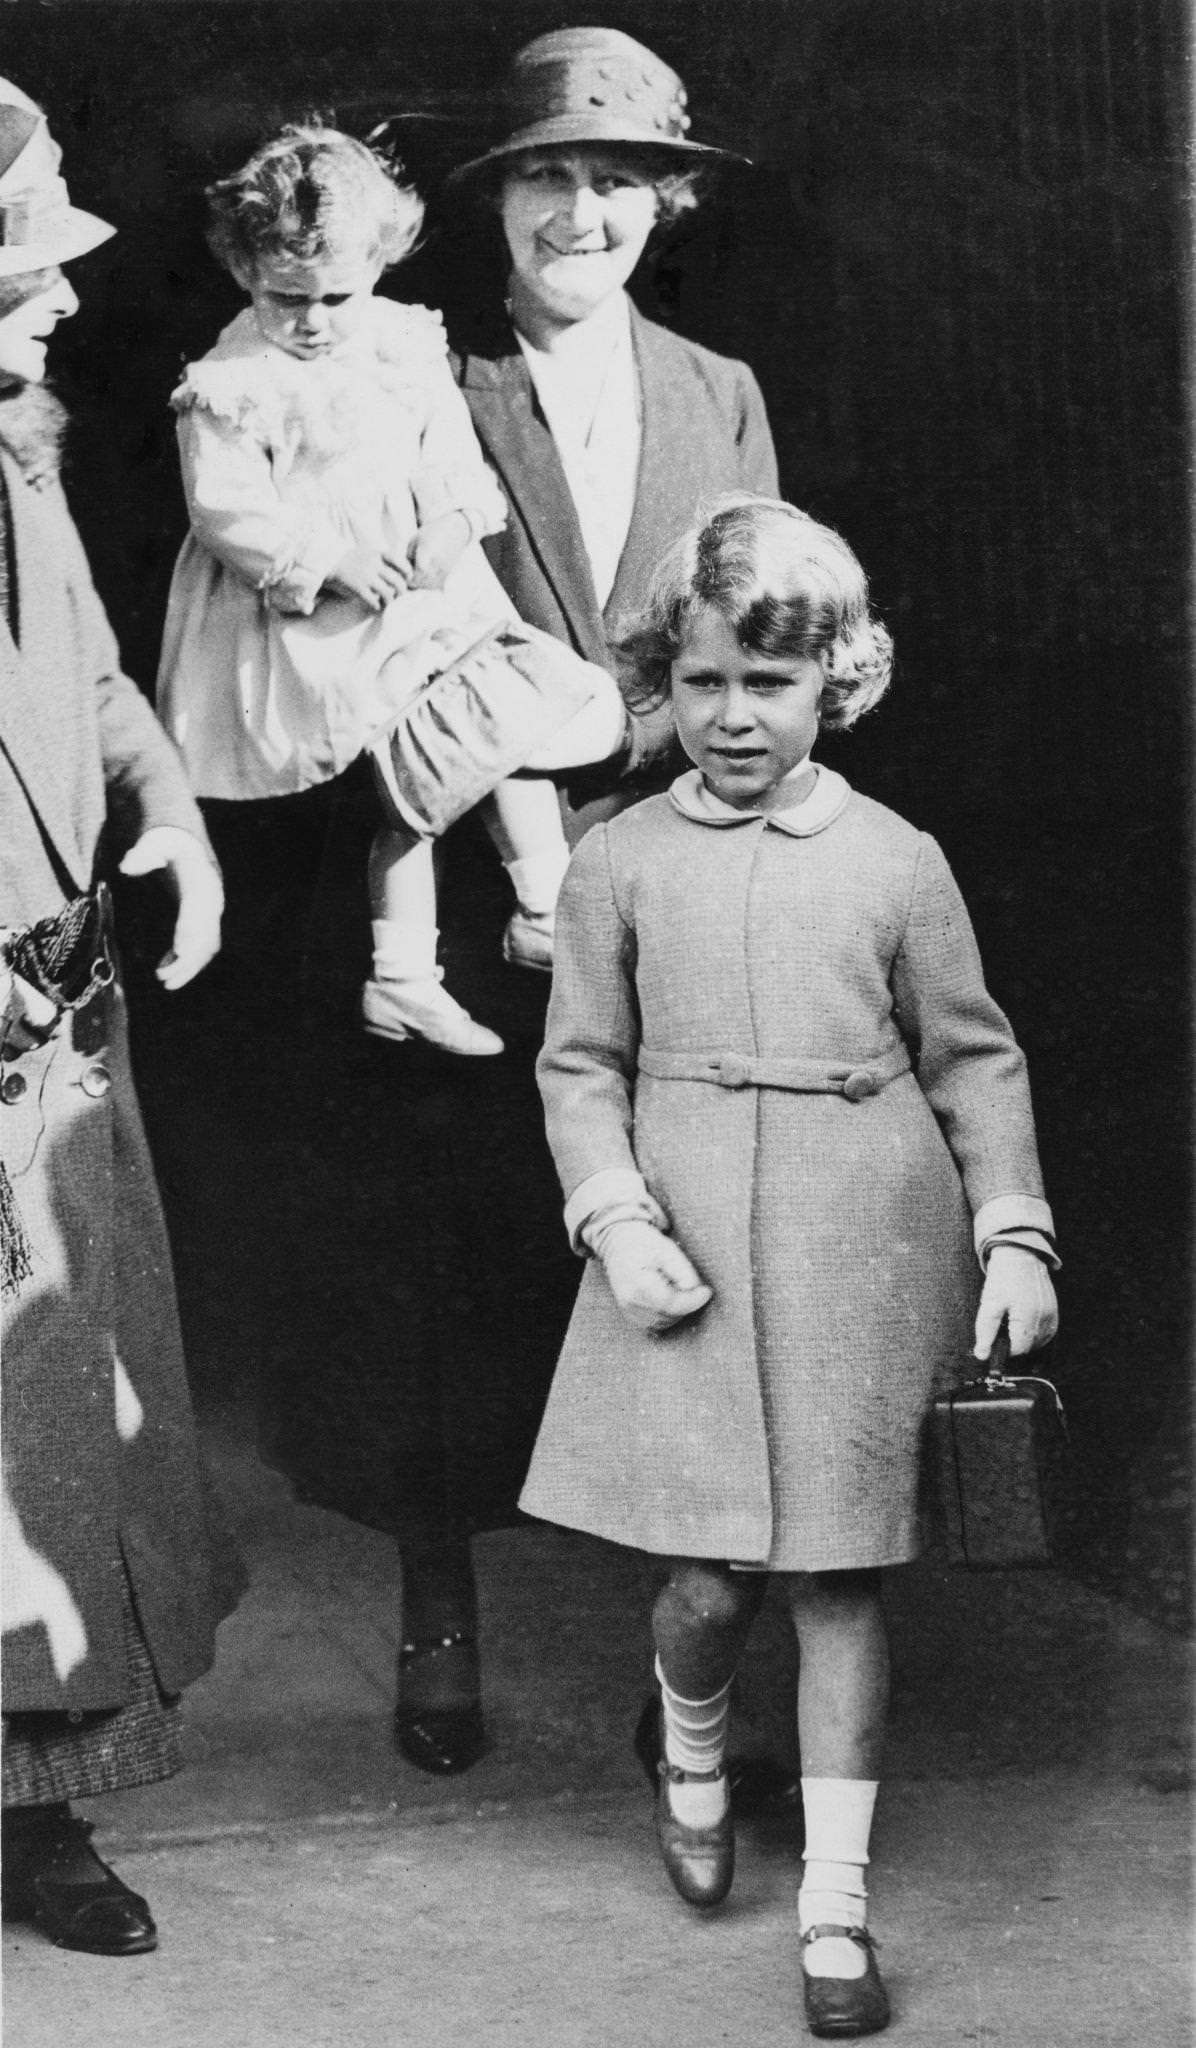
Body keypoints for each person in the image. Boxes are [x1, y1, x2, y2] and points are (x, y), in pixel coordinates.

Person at [520, 496, 1059, 2035]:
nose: (734, 717)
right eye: (701, 683)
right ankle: (689, 1743)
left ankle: (835, 1913)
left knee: (835, 1575)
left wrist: (1011, 1230)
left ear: (838, 682)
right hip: (679, 1242)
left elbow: (974, 1061)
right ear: (660, 686)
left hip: (860, 1240)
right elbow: (580, 1068)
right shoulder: (616, 860)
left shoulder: (897, 858)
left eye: (770, 683)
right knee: (701, 1580)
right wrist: (618, 1220)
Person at [0, 79, 241, 1956]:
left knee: (61, 1415)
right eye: (24, 273)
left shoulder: (20, 452)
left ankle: (40, 1812)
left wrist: (163, 806)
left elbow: (78, 662)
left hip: (43, 1005)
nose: (59, 303)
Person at [156, 122, 625, 1057]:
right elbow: (226, 511)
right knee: (409, 784)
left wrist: (452, 520)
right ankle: (405, 976)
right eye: (287, 298)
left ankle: (541, 906)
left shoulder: (397, 341)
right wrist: (324, 561)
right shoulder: (233, 380)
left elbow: (447, 449)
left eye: (338, 294)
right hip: (319, 621)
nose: (316, 321)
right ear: (244, 270)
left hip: (426, 590)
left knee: (504, 729)